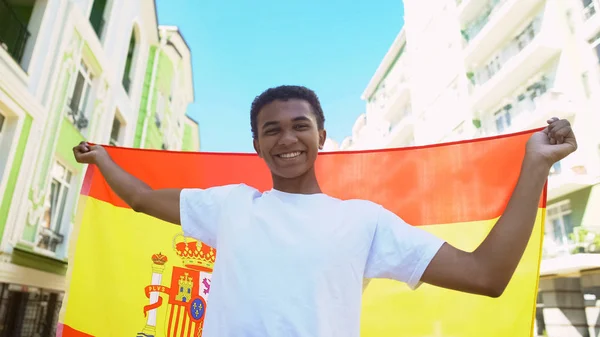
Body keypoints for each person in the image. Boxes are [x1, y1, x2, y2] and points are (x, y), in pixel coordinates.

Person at [73, 85, 577, 337]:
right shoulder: (228, 205)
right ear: (256, 144)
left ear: (321, 136)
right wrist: (103, 159)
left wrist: (535, 165)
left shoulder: (364, 220)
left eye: (299, 126)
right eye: (272, 130)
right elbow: (139, 197)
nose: (287, 138)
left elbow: (486, 274)